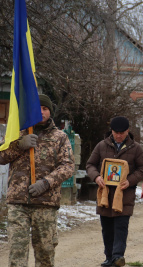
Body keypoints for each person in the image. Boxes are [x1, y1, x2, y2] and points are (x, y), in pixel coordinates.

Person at [1, 94, 75, 267]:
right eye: (38, 108)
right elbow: (1, 156)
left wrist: (46, 183)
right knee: (16, 253)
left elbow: (68, 166)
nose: (41, 112)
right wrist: (18, 145)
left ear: (50, 112)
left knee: (45, 253)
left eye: (45, 109)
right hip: (18, 202)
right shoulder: (16, 133)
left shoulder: (60, 137)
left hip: (45, 203)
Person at [86, 116, 143, 267]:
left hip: (124, 195)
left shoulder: (136, 148)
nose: (119, 135)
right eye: (116, 132)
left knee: (121, 227)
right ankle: (109, 257)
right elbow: (90, 164)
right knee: (107, 229)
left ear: (127, 131)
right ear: (111, 131)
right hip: (105, 196)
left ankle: (118, 257)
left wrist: (130, 180)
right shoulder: (102, 146)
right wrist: (97, 177)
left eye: (122, 132)